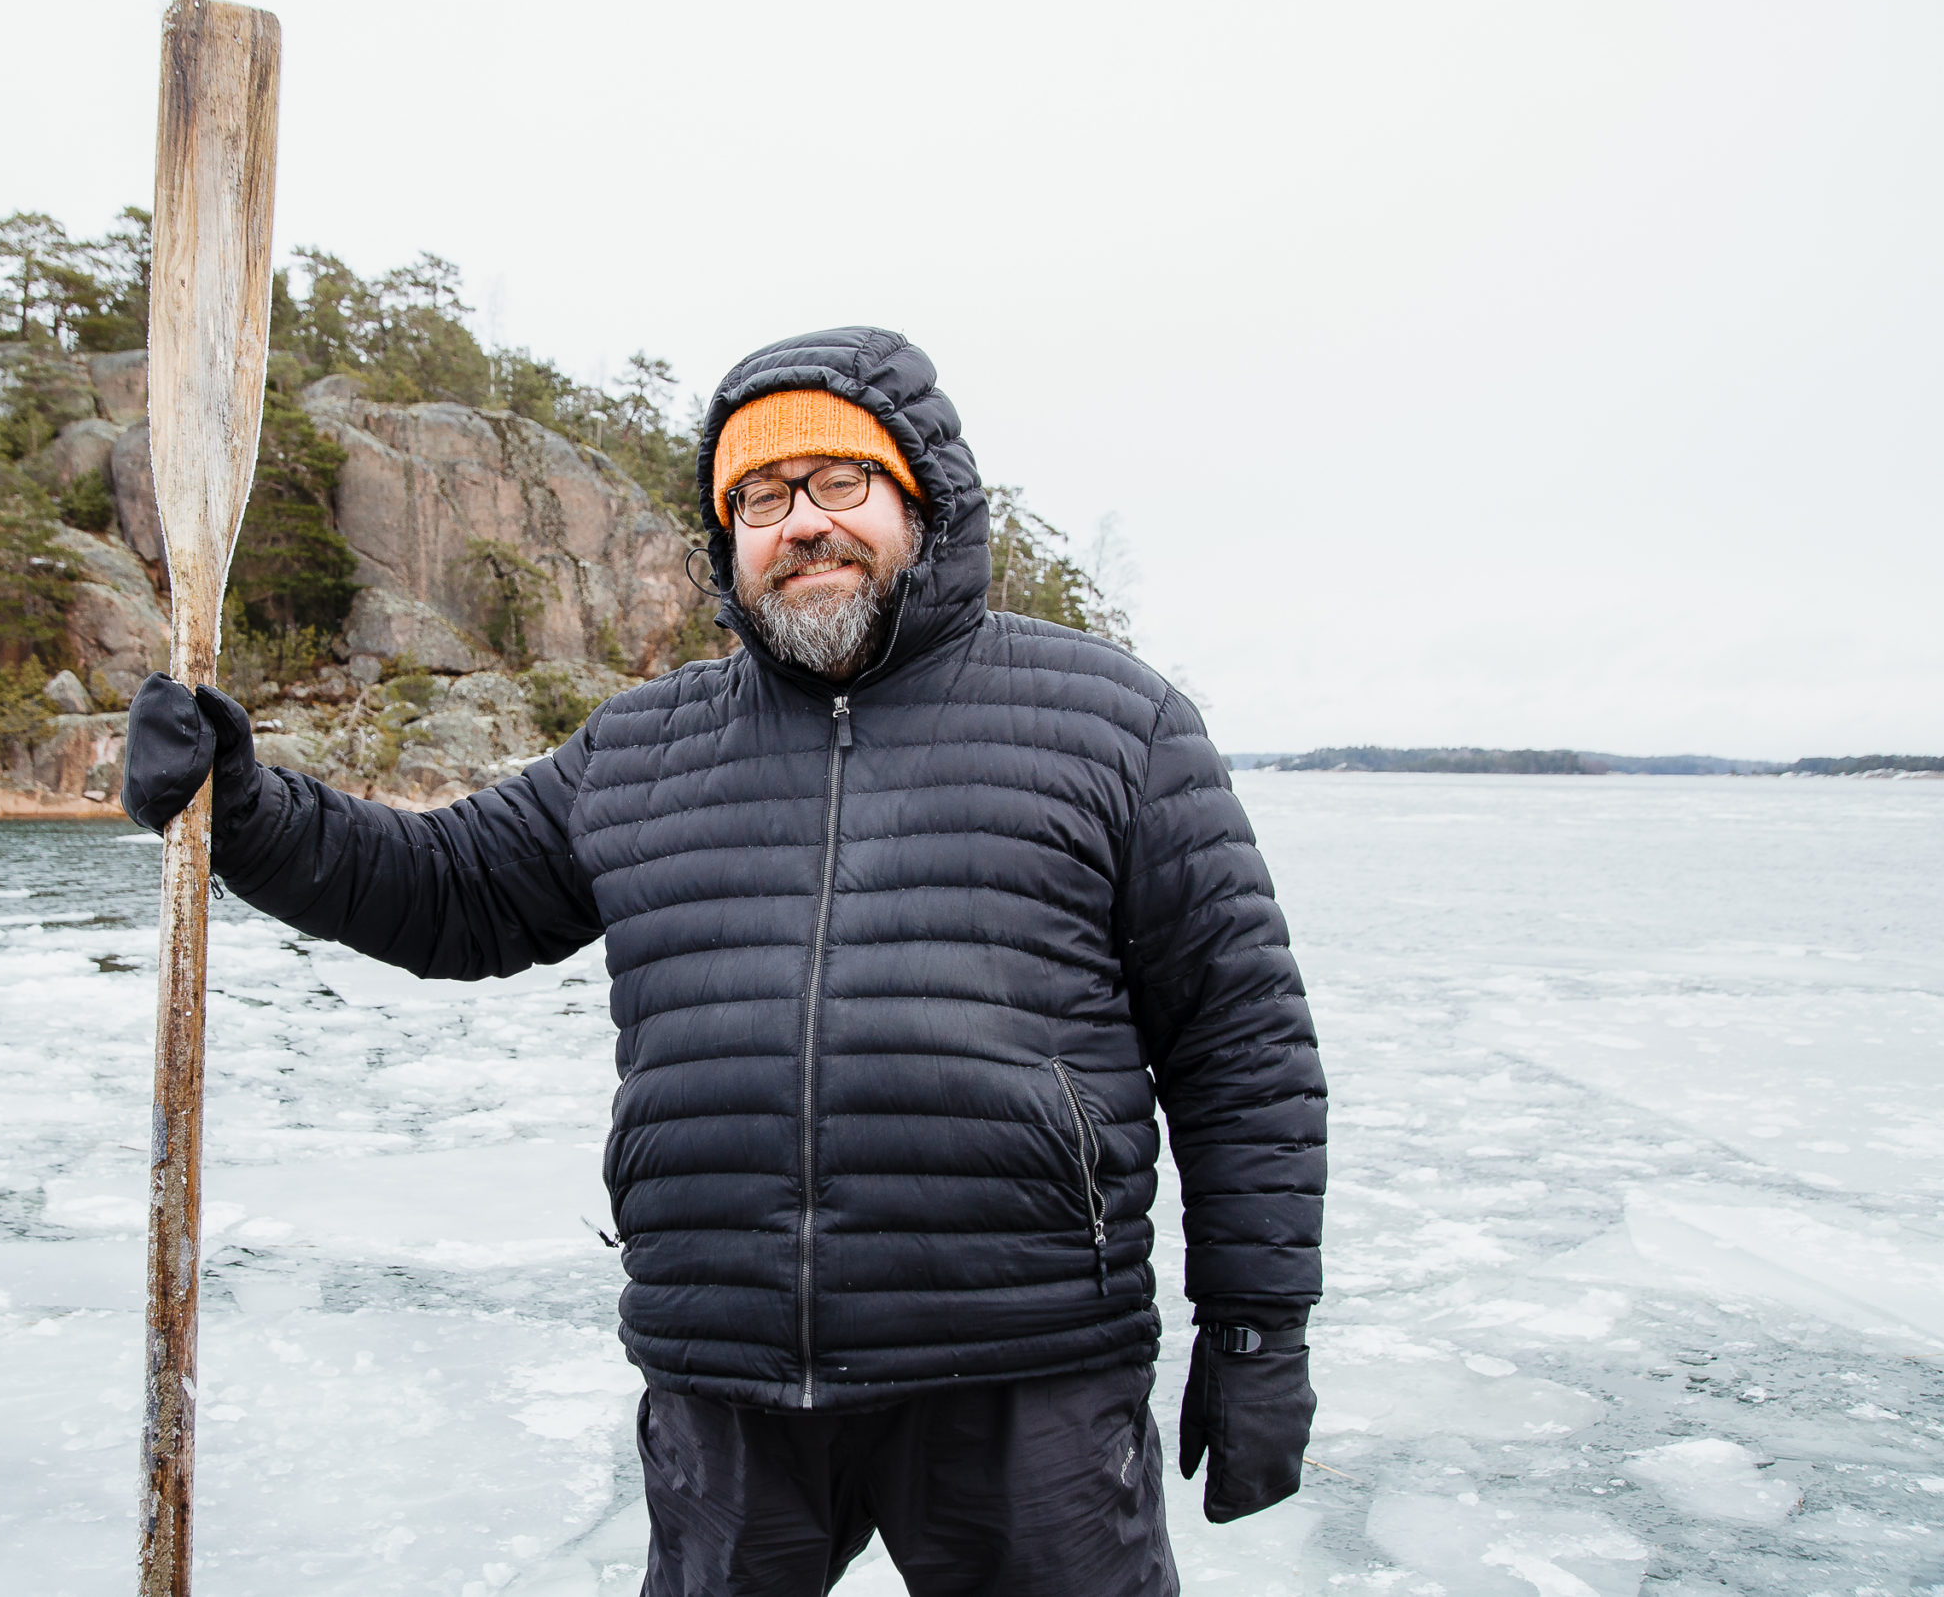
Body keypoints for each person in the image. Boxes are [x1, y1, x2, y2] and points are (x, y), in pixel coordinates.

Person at [123, 327, 1327, 1596]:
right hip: (726, 1379)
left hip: (1020, 1369)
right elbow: (451, 894)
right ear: (726, 539)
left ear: (922, 497)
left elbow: (1240, 1048)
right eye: (758, 497)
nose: (799, 524)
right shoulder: (644, 749)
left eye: (838, 483)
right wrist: (244, 812)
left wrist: (1256, 1332)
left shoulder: (1112, 724)